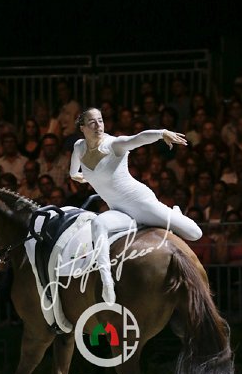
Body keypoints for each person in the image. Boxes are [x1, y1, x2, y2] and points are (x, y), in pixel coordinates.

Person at [70, 107, 202, 304]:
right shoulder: (79, 147)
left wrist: (161, 133)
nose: (98, 125)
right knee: (98, 224)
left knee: (195, 233)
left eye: (100, 120)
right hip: (119, 211)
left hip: (141, 203)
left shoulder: (114, 145)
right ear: (82, 128)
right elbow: (73, 172)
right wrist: (77, 176)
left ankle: (174, 213)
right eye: (92, 122)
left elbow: (138, 138)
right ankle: (107, 282)